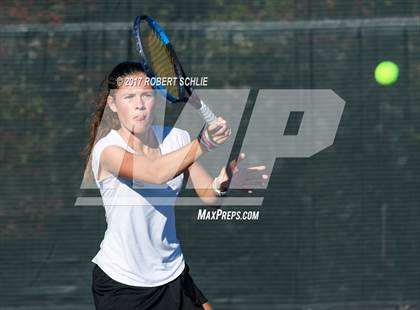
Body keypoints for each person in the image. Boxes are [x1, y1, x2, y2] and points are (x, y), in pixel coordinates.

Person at [83, 61, 267, 310]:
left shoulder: (176, 138)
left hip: (172, 273)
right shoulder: (107, 150)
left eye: (146, 95)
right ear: (113, 104)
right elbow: (155, 172)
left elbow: (208, 195)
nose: (139, 105)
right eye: (129, 97)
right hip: (122, 285)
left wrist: (223, 182)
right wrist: (204, 142)